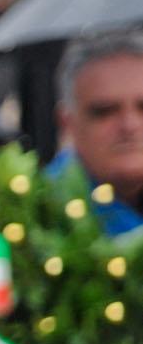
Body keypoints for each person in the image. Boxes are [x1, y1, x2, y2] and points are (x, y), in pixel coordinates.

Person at [47, 27, 143, 237]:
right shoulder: (39, 214)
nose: (129, 125)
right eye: (105, 111)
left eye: (142, 108)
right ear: (67, 122)